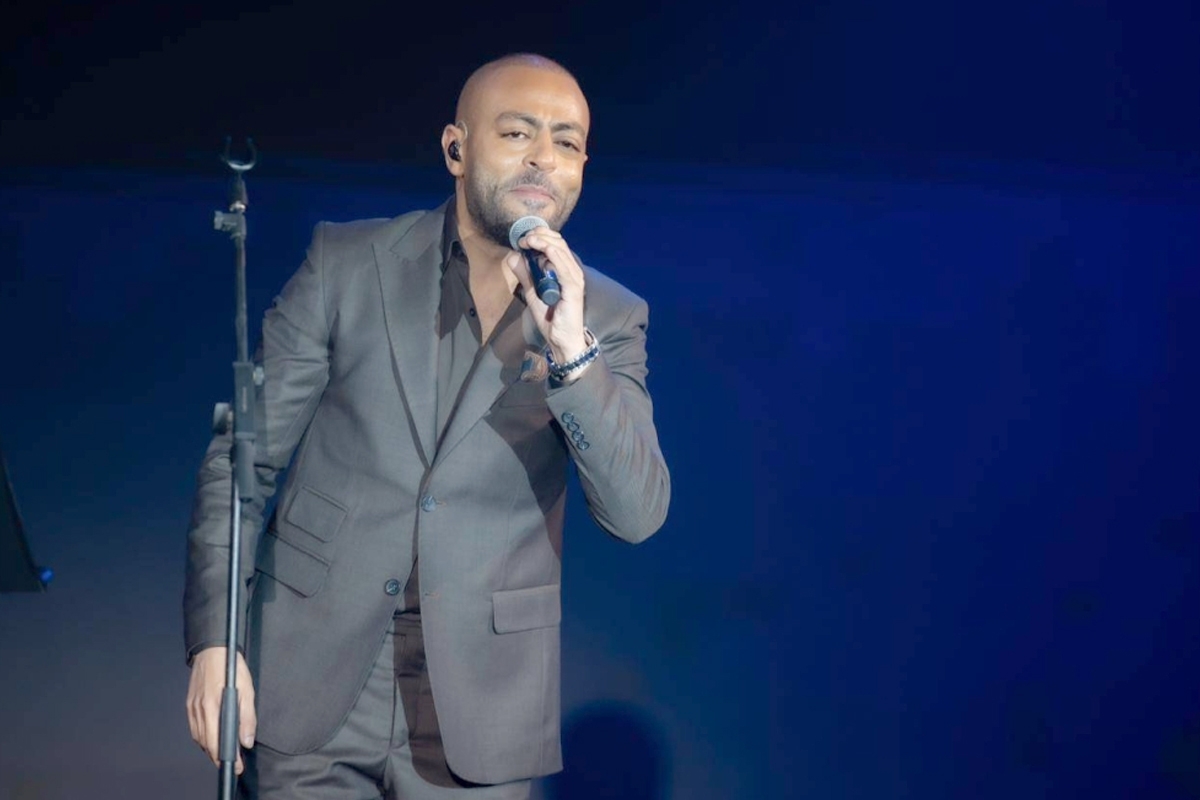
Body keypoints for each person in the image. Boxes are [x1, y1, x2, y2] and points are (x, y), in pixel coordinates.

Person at [183, 52, 670, 799]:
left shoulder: (606, 315)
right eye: (518, 133)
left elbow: (637, 513)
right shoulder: (348, 263)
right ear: (456, 148)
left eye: (567, 142)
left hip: (480, 701)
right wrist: (215, 640)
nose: (544, 157)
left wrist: (573, 353)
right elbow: (242, 463)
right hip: (309, 673)